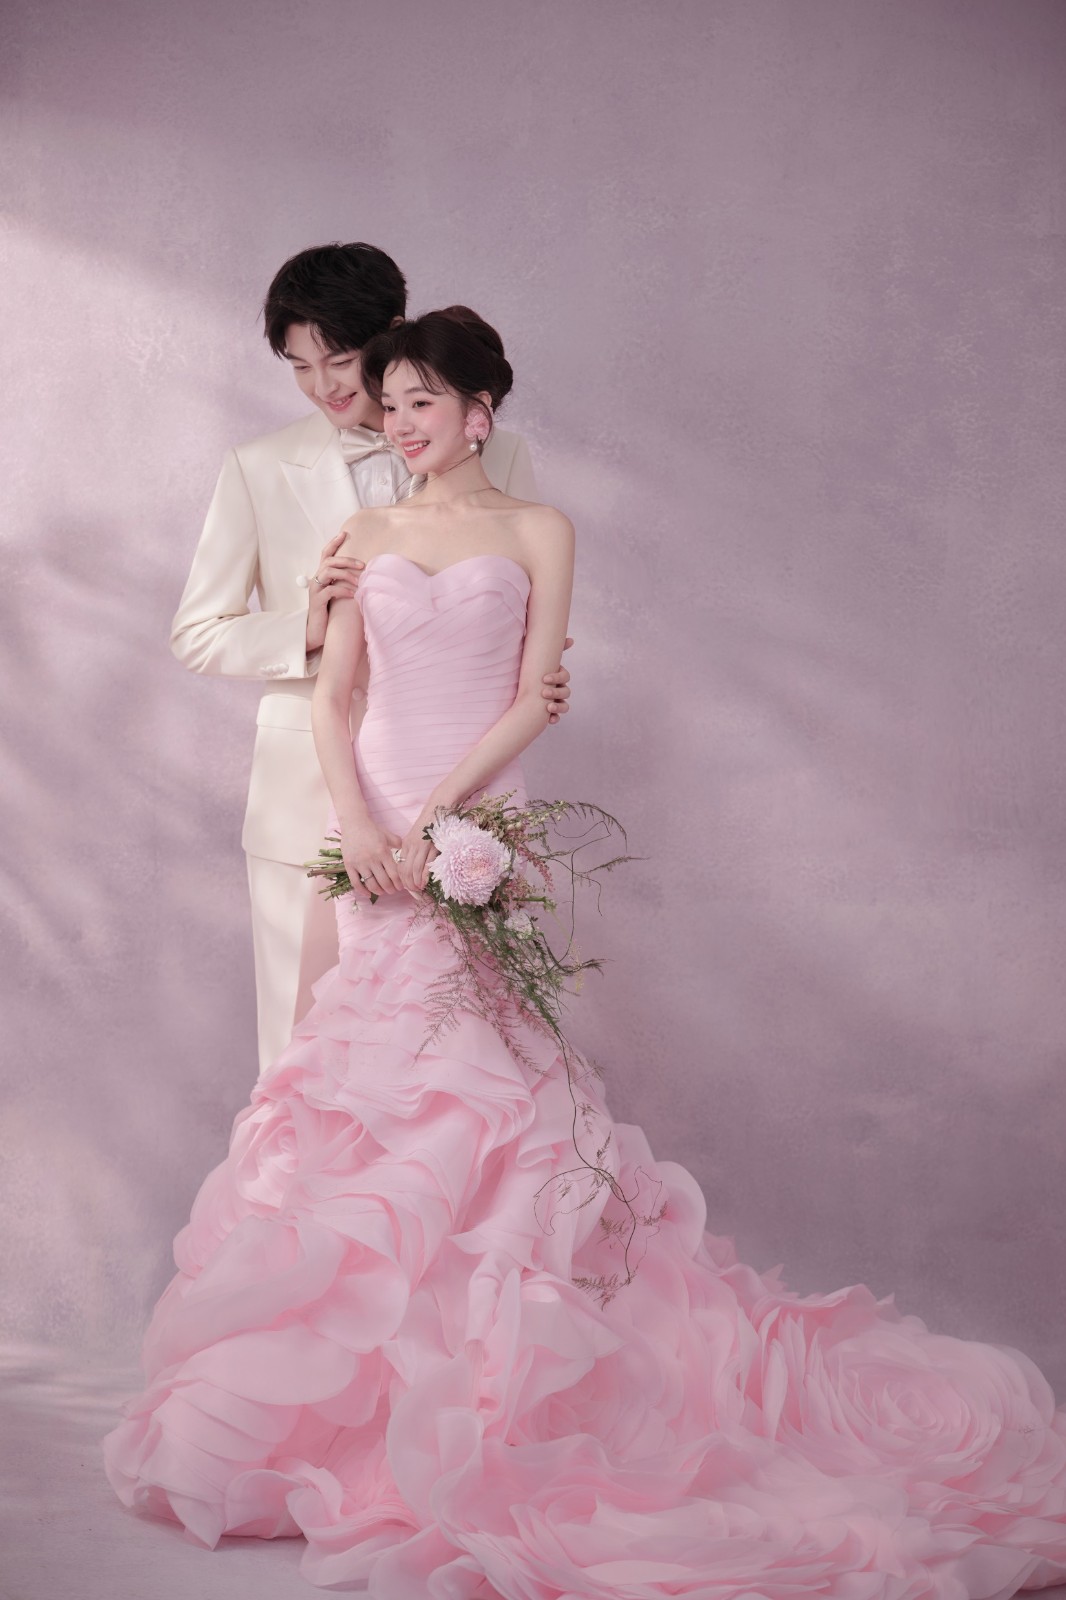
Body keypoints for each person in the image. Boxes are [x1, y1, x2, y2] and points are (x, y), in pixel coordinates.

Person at [105, 310, 1066, 1600]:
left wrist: (441, 821)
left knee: (482, 1093)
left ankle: (489, 1394)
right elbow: (334, 697)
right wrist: (364, 828)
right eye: (390, 402)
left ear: (481, 411)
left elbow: (532, 694)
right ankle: (363, 1414)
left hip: (470, 822)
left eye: (422, 401)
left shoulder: (540, 531)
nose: (399, 422)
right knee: (360, 1094)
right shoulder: (363, 534)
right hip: (370, 824)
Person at [169, 243, 571, 1074]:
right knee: (299, 1061)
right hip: (303, 800)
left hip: (458, 796)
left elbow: (514, 611)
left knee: (466, 1055)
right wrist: (307, 629)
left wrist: (545, 673)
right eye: (299, 366)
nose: (323, 385)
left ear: (388, 336)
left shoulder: (499, 455)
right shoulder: (257, 467)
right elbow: (197, 632)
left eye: (340, 359)